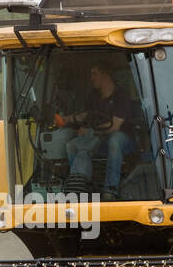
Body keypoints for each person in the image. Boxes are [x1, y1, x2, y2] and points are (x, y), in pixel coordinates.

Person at [58, 61, 136, 198]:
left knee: (115, 139)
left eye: (94, 74)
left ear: (106, 74)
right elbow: (86, 115)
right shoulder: (94, 96)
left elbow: (114, 127)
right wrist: (67, 119)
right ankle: (78, 186)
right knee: (72, 145)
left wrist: (91, 132)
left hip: (124, 142)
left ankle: (110, 190)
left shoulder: (121, 96)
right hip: (100, 140)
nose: (91, 78)